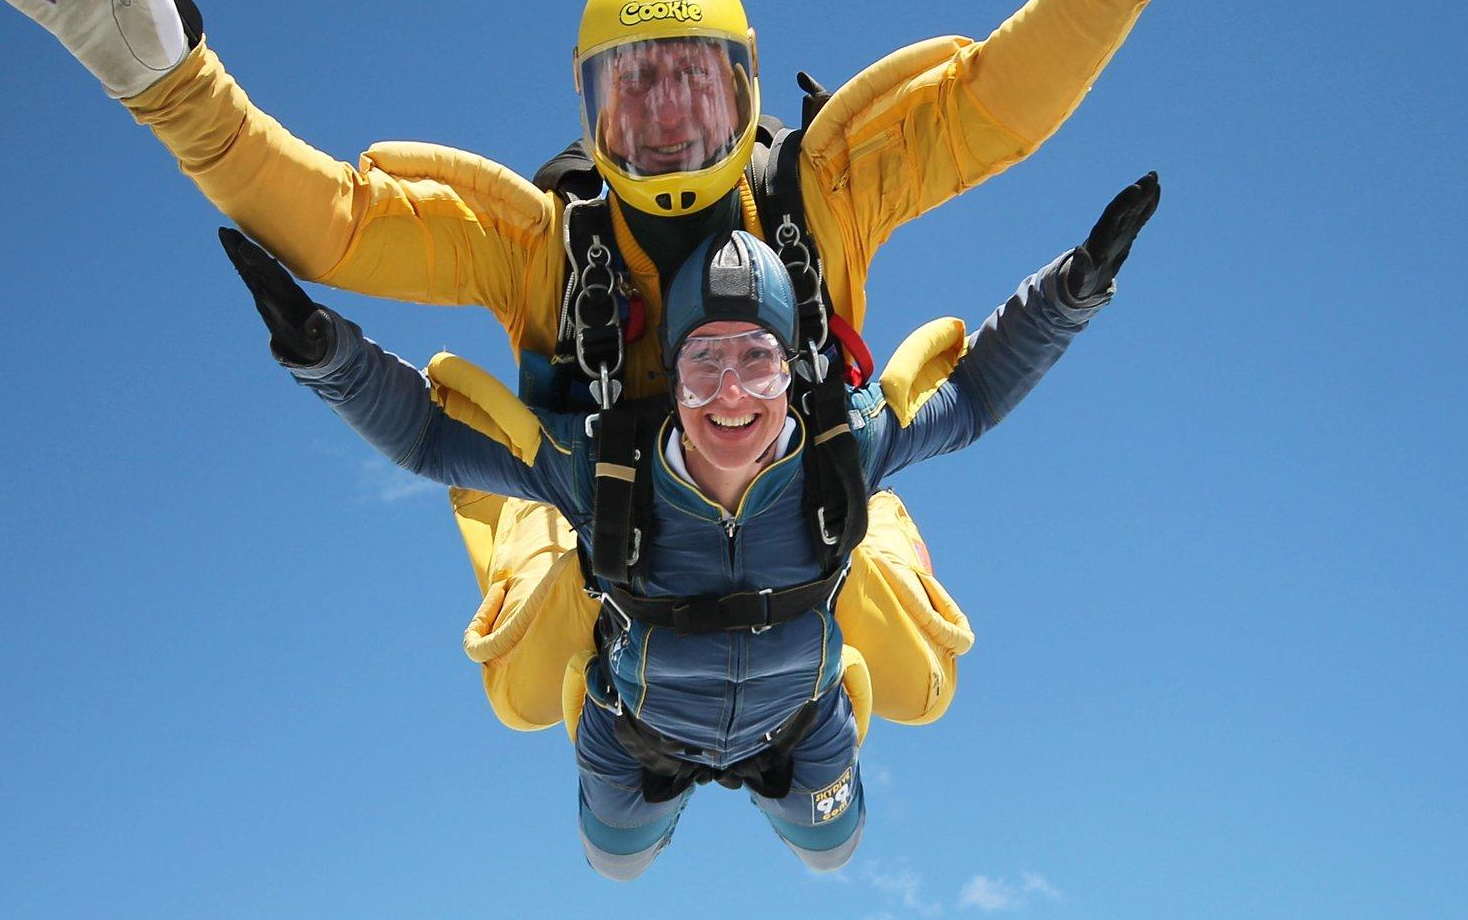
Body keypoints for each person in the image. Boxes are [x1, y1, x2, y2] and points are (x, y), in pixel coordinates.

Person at [0, 0, 1293, 736]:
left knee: (912, 671)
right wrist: (175, 88)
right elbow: (336, 223)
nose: (667, 119)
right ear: (589, 110)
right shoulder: (544, 247)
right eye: (633, 91)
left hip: (801, 509)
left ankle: (810, 672)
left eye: (695, 84)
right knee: (532, 670)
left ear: (745, 88)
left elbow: (996, 105)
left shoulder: (824, 194)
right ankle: (621, 676)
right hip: (597, 535)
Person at [218, 172, 1161, 878]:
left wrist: (1074, 288)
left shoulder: (843, 449)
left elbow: (974, 394)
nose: (731, 395)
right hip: (634, 729)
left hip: (803, 721)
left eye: (757, 360)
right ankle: (603, 713)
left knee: (832, 849)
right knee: (615, 862)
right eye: (703, 363)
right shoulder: (602, 467)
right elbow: (432, 438)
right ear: (670, 377)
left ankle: (861, 649)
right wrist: (321, 350)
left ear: (791, 367)